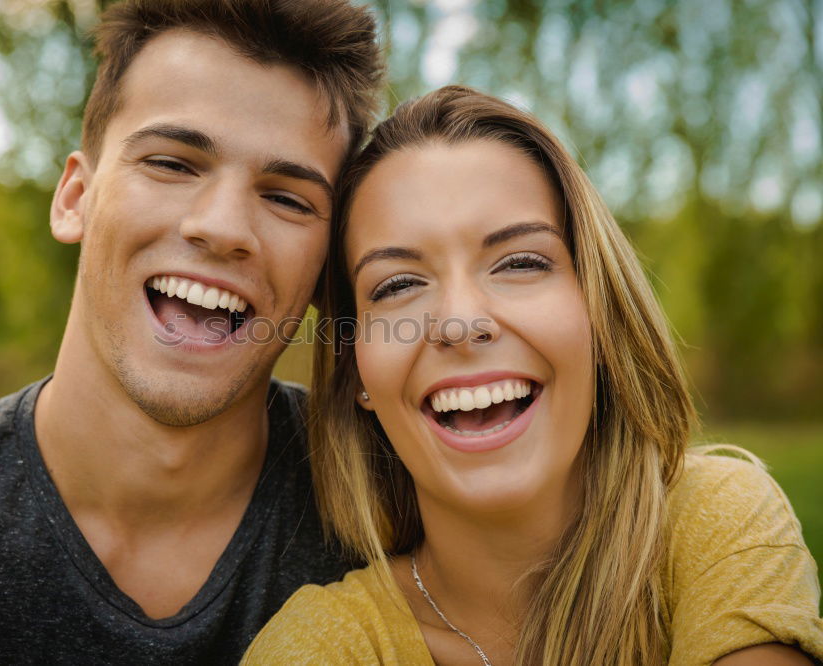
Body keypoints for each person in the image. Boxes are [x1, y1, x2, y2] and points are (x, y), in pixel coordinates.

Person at [0, 1, 382, 662]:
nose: (224, 227)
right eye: (173, 163)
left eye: (288, 197)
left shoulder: (396, 506)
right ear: (74, 198)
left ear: (326, 272)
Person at [243, 86, 823, 665]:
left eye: (520, 262)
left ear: (598, 310)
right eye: (398, 285)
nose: (461, 323)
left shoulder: (715, 520)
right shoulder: (322, 643)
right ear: (356, 372)